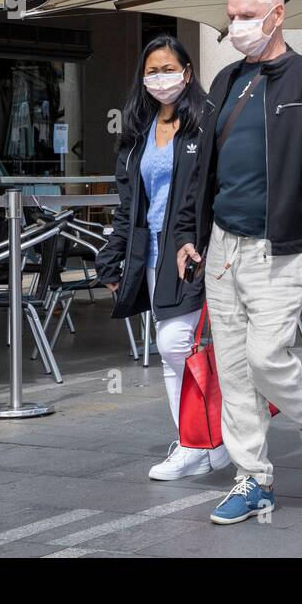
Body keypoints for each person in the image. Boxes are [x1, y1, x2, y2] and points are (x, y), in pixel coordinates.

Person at [176, 0, 302, 526]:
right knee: (233, 371)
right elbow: (203, 169)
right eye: (230, 16)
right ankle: (253, 478)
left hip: (282, 247)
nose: (236, 27)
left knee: (265, 357)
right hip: (224, 245)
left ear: (277, 16)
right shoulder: (228, 78)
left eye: (246, 16)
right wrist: (190, 232)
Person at [96, 35, 230, 481]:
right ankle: (202, 439)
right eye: (152, 71)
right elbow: (127, 202)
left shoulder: (206, 122)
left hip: (191, 250)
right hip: (150, 254)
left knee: (176, 345)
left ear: (188, 73)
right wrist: (114, 257)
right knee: (176, 351)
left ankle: (202, 439)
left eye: (169, 68)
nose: (160, 78)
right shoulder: (138, 132)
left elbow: (218, 188)